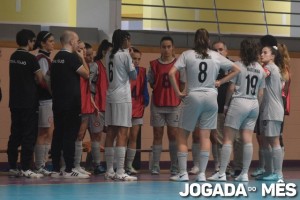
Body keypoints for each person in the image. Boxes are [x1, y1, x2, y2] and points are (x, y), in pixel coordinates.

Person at [169, 28, 240, 182]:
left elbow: (170, 73)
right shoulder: (215, 55)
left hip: (194, 95)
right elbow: (236, 69)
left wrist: (178, 92)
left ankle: (182, 173)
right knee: (205, 136)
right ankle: (202, 174)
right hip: (211, 97)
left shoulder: (187, 54)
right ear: (209, 41)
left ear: (195, 40)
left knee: (182, 135)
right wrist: (220, 81)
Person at [207, 38, 265, 182]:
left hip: (239, 101)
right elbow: (261, 93)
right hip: (254, 104)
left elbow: (231, 88)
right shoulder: (260, 69)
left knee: (227, 139)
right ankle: (244, 174)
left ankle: (221, 173)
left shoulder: (238, 65)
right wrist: (256, 108)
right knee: (247, 140)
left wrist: (226, 106)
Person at [50, 30, 90, 179]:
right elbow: (86, 74)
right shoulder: (71, 58)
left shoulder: (56, 58)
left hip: (58, 102)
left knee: (58, 134)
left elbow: (48, 79)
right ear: (72, 41)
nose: (78, 43)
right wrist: (81, 58)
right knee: (70, 135)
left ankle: (55, 168)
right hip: (71, 103)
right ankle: (68, 169)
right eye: (77, 41)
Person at [8, 29, 44, 178]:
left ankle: (12, 166)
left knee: (15, 134)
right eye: (33, 40)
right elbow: (40, 78)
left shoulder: (13, 56)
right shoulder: (30, 58)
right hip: (29, 102)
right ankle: (25, 168)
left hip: (15, 101)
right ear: (29, 41)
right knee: (29, 135)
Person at [147, 36, 184, 175]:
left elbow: (182, 83)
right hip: (158, 104)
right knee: (157, 134)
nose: (166, 49)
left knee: (173, 135)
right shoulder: (153, 64)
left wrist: (179, 95)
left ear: (173, 47)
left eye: (169, 46)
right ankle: (155, 165)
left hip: (174, 105)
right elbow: (151, 82)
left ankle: (174, 165)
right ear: (160, 48)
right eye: (164, 46)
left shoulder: (179, 64)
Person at [104, 29, 137, 181]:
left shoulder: (108, 55)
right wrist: (130, 58)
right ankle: (121, 171)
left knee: (110, 132)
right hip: (122, 97)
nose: (130, 42)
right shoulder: (125, 55)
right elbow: (134, 76)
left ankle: (110, 170)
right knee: (123, 133)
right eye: (129, 39)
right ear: (124, 40)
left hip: (110, 95)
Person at [256, 44, 285, 181]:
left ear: (273, 56)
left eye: (265, 52)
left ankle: (278, 173)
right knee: (266, 141)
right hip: (268, 109)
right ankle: (269, 171)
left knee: (274, 141)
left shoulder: (269, 68)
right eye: (261, 52)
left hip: (272, 110)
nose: (262, 55)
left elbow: (259, 75)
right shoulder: (276, 69)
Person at [33, 31, 55, 176]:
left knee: (48, 132)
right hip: (44, 100)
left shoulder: (46, 58)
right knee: (43, 132)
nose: (53, 43)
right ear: (42, 43)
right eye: (51, 41)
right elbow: (43, 80)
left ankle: (43, 163)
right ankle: (39, 165)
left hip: (48, 100)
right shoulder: (41, 58)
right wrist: (54, 92)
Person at [90, 40, 113, 175]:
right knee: (96, 136)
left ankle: (111, 165)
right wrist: (92, 101)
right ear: (104, 51)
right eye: (110, 51)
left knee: (111, 135)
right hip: (97, 106)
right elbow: (88, 85)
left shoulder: (112, 67)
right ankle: (97, 165)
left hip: (110, 106)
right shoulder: (95, 66)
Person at [126, 47, 149, 174]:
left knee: (134, 136)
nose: (136, 61)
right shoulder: (124, 71)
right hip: (125, 105)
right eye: (134, 58)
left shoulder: (143, 71)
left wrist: (146, 99)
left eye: (139, 59)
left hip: (138, 106)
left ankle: (129, 165)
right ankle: (118, 165)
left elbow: (144, 86)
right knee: (124, 136)